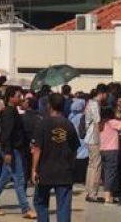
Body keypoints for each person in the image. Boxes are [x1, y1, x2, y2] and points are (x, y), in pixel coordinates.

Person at [0, 85, 34, 218]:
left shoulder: (13, 111)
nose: (20, 98)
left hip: (15, 149)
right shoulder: (8, 112)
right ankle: (25, 209)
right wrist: (7, 152)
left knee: (4, 178)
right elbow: (7, 134)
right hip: (12, 150)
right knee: (19, 179)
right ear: (11, 98)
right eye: (18, 96)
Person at [32, 93, 79, 222]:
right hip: (64, 171)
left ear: (49, 105)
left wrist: (34, 169)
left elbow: (37, 149)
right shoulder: (68, 124)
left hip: (45, 170)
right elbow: (75, 149)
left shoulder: (42, 124)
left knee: (41, 202)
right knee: (63, 206)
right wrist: (70, 164)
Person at [81, 85, 106, 203]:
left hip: (88, 137)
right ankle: (93, 193)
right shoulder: (95, 104)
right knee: (96, 166)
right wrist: (100, 139)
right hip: (94, 138)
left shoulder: (89, 102)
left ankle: (89, 190)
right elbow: (97, 122)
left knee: (91, 165)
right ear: (102, 93)